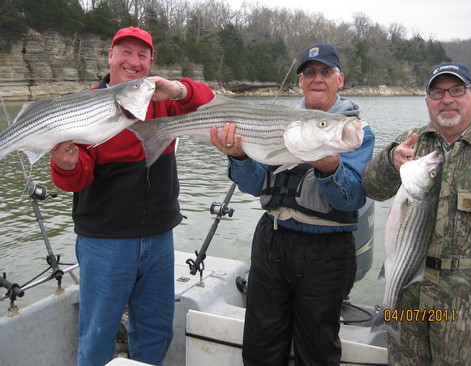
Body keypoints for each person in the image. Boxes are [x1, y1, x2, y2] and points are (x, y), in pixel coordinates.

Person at [49, 26, 214, 366]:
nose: (134, 62)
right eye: (126, 52)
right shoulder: (84, 106)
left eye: (142, 55)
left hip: (159, 235)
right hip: (105, 241)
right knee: (97, 335)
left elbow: (209, 105)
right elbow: (77, 178)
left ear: (151, 62)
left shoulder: (162, 101)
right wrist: (65, 163)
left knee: (156, 331)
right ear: (110, 55)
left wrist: (179, 89)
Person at [210, 43, 375, 365]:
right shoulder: (278, 121)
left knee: (316, 347)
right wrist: (239, 156)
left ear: (340, 79)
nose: (317, 78)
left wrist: (330, 166)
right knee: (261, 342)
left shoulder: (355, 131)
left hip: (326, 252)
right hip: (273, 241)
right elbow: (255, 185)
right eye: (309, 72)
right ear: (300, 81)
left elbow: (353, 197)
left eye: (326, 72)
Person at [362, 62, 471, 365]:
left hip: (464, 303)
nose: (447, 99)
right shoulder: (412, 141)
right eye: (437, 92)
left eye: (457, 90)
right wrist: (390, 162)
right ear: (427, 101)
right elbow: (372, 188)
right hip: (406, 292)